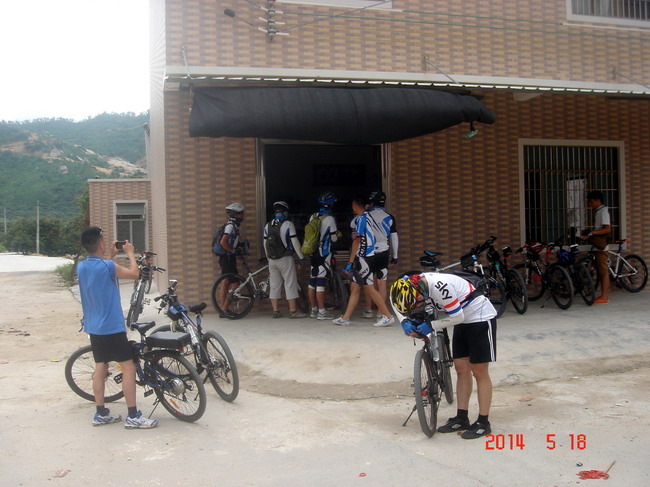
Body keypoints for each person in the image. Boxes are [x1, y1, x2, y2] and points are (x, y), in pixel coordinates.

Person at [389, 272, 497, 439]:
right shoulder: (407, 285)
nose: (416, 307)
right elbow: (392, 298)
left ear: (419, 293)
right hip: (462, 321)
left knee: (479, 371)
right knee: (461, 369)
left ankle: (483, 422)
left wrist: (432, 325)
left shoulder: (440, 287)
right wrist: (404, 321)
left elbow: (457, 316)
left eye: (416, 304)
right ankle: (462, 417)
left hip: (479, 317)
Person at [76, 226, 158, 429]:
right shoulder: (108, 267)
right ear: (100, 243)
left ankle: (100, 413)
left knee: (101, 366)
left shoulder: (82, 267)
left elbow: (101, 270)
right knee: (128, 367)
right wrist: (130, 253)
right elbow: (135, 274)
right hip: (111, 327)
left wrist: (112, 255)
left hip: (94, 327)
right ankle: (133, 416)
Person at [332, 196, 395, 327]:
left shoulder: (361, 219)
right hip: (368, 256)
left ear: (356, 205)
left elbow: (357, 241)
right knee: (355, 287)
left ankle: (387, 316)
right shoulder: (368, 217)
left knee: (369, 288)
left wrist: (350, 262)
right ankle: (345, 318)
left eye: (353, 205)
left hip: (364, 257)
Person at [263, 201, 308, 319]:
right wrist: (301, 257)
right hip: (285, 259)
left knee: (274, 285)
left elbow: (264, 243)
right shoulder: (288, 224)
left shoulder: (268, 225)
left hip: (272, 260)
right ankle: (293, 312)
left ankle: (275, 311)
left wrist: (268, 257)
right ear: (284, 212)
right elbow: (295, 242)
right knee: (290, 283)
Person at [362, 190, 399, 320]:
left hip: (368, 252)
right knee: (382, 283)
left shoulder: (365, 216)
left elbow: (354, 226)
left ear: (372, 202)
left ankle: (368, 310)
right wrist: (395, 256)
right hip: (383, 252)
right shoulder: (389, 217)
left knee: (369, 283)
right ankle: (381, 313)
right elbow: (394, 238)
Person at [307, 191, 340, 320]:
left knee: (312, 281)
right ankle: (322, 312)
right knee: (320, 282)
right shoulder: (330, 219)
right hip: (324, 253)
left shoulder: (313, 216)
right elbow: (334, 238)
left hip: (313, 252)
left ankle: (313, 310)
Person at [581, 190, 611, 304]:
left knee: (604, 271)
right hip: (597, 246)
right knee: (601, 271)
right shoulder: (599, 211)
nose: (590, 204)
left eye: (591, 201)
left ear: (597, 200)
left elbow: (607, 229)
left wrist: (592, 233)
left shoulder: (603, 212)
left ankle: (605, 297)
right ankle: (603, 295)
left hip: (601, 247)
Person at [216, 202, 246, 316]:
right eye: (241, 214)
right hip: (228, 258)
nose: (243, 215)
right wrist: (233, 251)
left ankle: (222, 309)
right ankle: (224, 309)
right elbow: (223, 242)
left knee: (226, 282)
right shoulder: (230, 226)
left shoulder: (232, 225)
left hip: (226, 258)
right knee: (235, 284)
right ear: (236, 215)